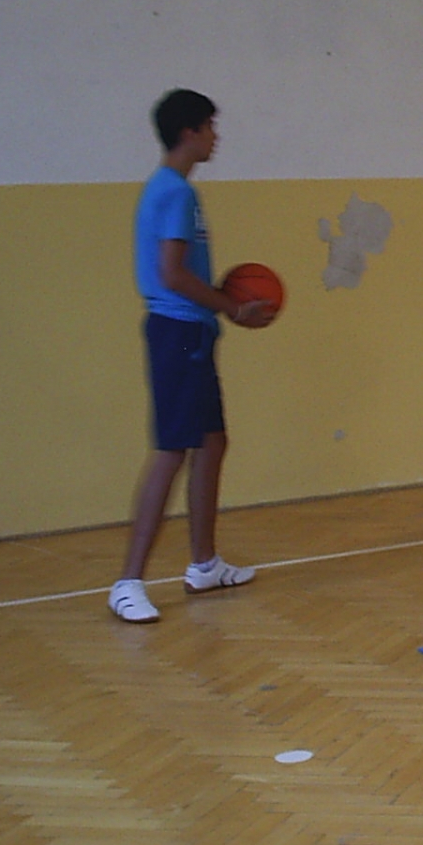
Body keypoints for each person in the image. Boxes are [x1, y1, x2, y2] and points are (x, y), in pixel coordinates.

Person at [109, 90, 275, 623]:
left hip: (192, 333)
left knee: (212, 441)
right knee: (171, 451)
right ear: (189, 132)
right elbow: (173, 274)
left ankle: (205, 564)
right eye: (209, 127)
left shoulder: (173, 190)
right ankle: (128, 582)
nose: (215, 137)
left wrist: (221, 309)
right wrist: (233, 306)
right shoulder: (175, 192)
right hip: (177, 333)